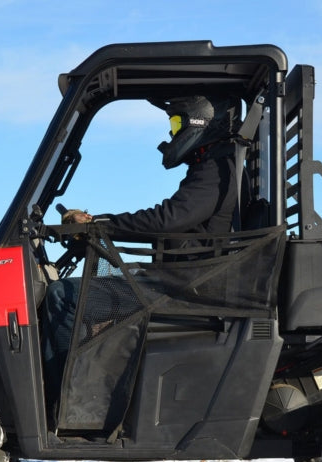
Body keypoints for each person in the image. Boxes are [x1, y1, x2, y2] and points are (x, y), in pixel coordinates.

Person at [41, 94, 243, 402]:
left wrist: (99, 223)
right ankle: (84, 387)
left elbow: (170, 217)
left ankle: (70, 399)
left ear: (201, 124)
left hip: (182, 287)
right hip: (176, 278)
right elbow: (172, 218)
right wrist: (98, 226)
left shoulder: (216, 167)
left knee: (61, 297)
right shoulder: (212, 164)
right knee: (87, 288)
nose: (173, 134)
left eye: (177, 123)